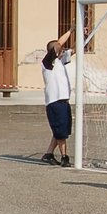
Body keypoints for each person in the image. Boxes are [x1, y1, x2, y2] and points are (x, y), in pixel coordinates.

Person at [39, 29, 74, 167]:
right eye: (59, 48)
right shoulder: (47, 63)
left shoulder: (61, 62)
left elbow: (75, 49)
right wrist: (71, 29)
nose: (62, 49)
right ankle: (64, 157)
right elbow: (59, 43)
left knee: (61, 130)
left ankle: (48, 154)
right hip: (54, 102)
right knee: (60, 132)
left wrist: (81, 32)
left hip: (64, 101)